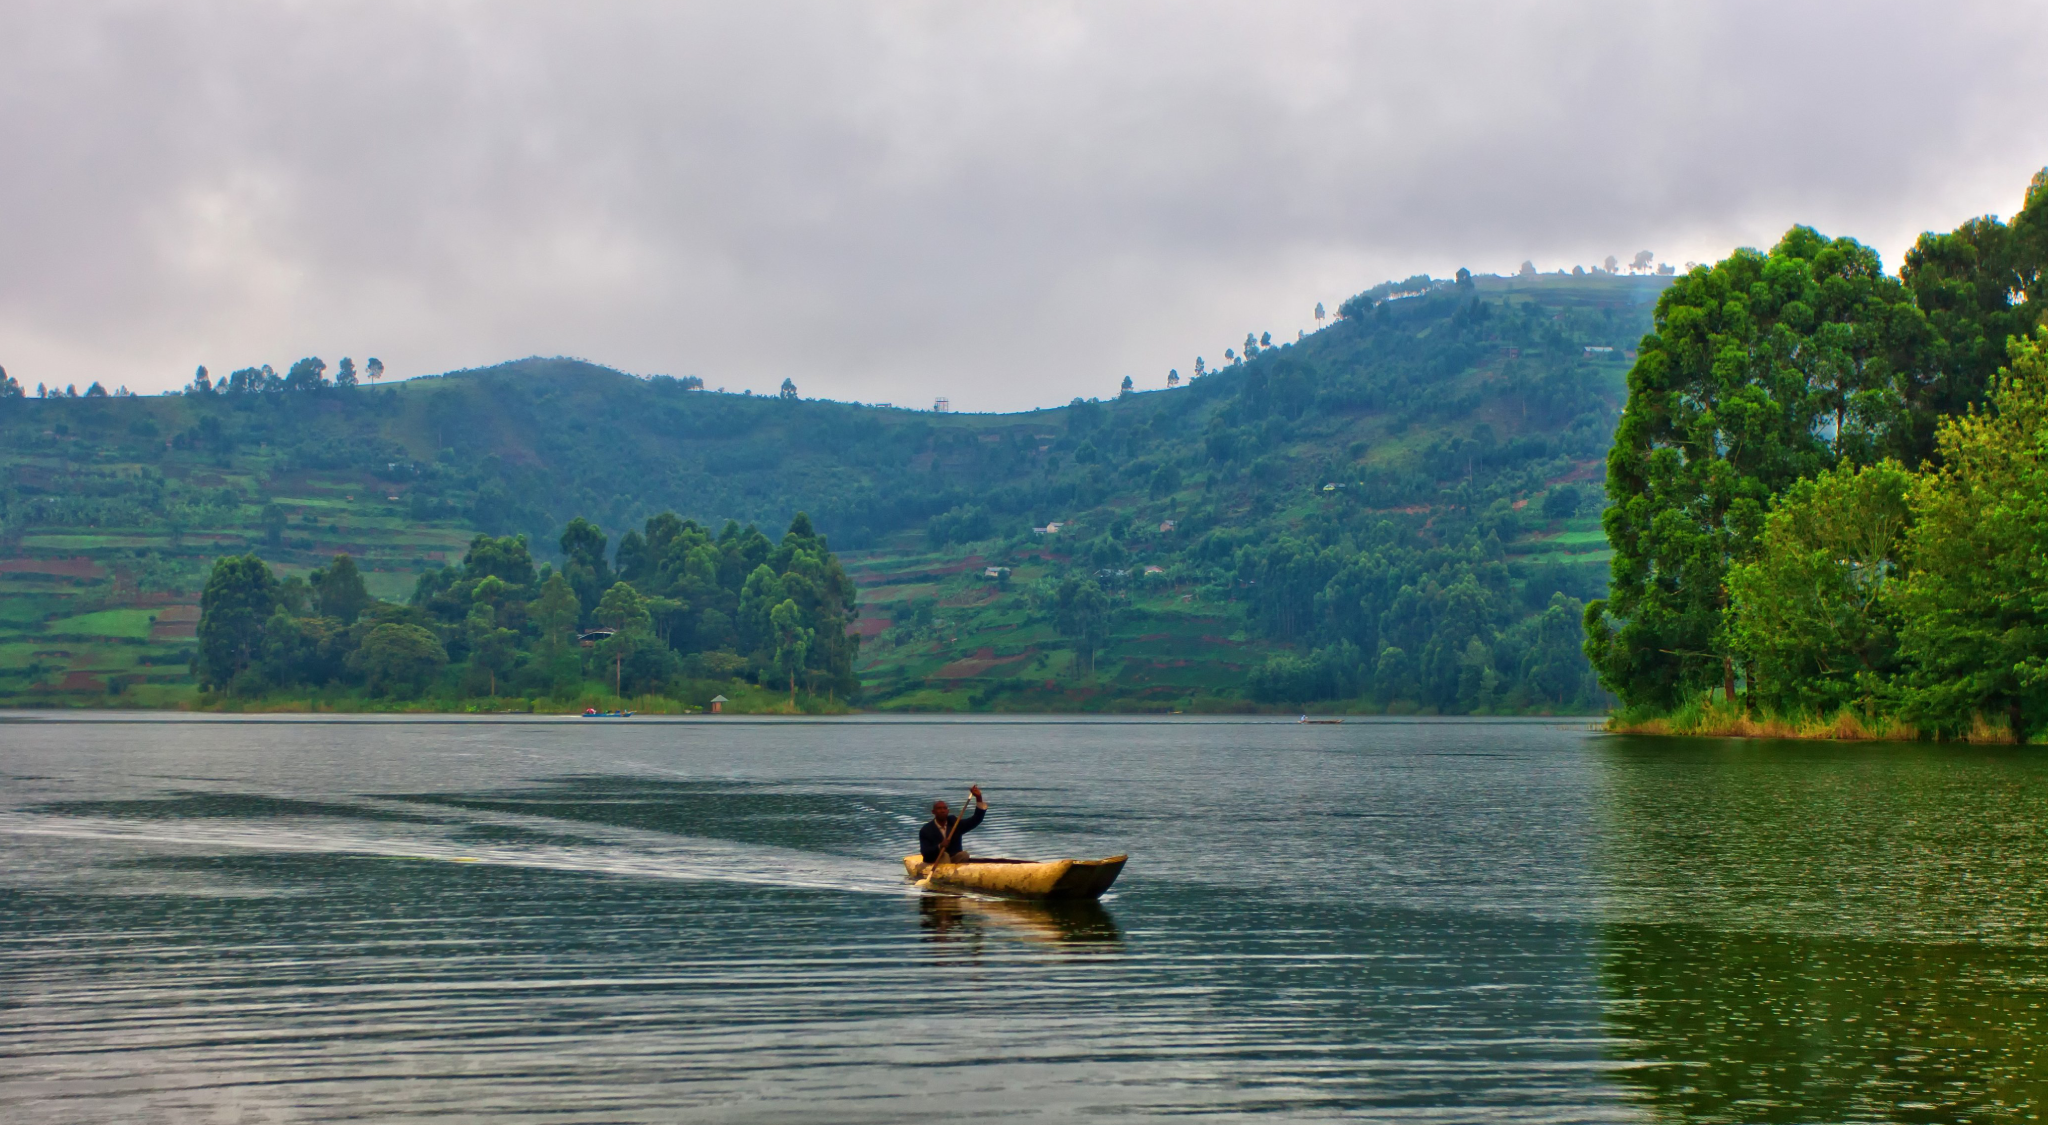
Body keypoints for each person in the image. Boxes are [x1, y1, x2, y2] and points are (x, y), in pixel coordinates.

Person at [919, 785, 987, 864]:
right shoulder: (926, 830)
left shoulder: (955, 823)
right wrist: (940, 846)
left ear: (948, 811)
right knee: (944, 855)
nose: (942, 811)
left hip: (953, 860)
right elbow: (925, 852)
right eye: (939, 809)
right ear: (933, 812)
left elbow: (976, 820)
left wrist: (979, 798)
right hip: (935, 860)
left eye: (945, 808)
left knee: (964, 854)